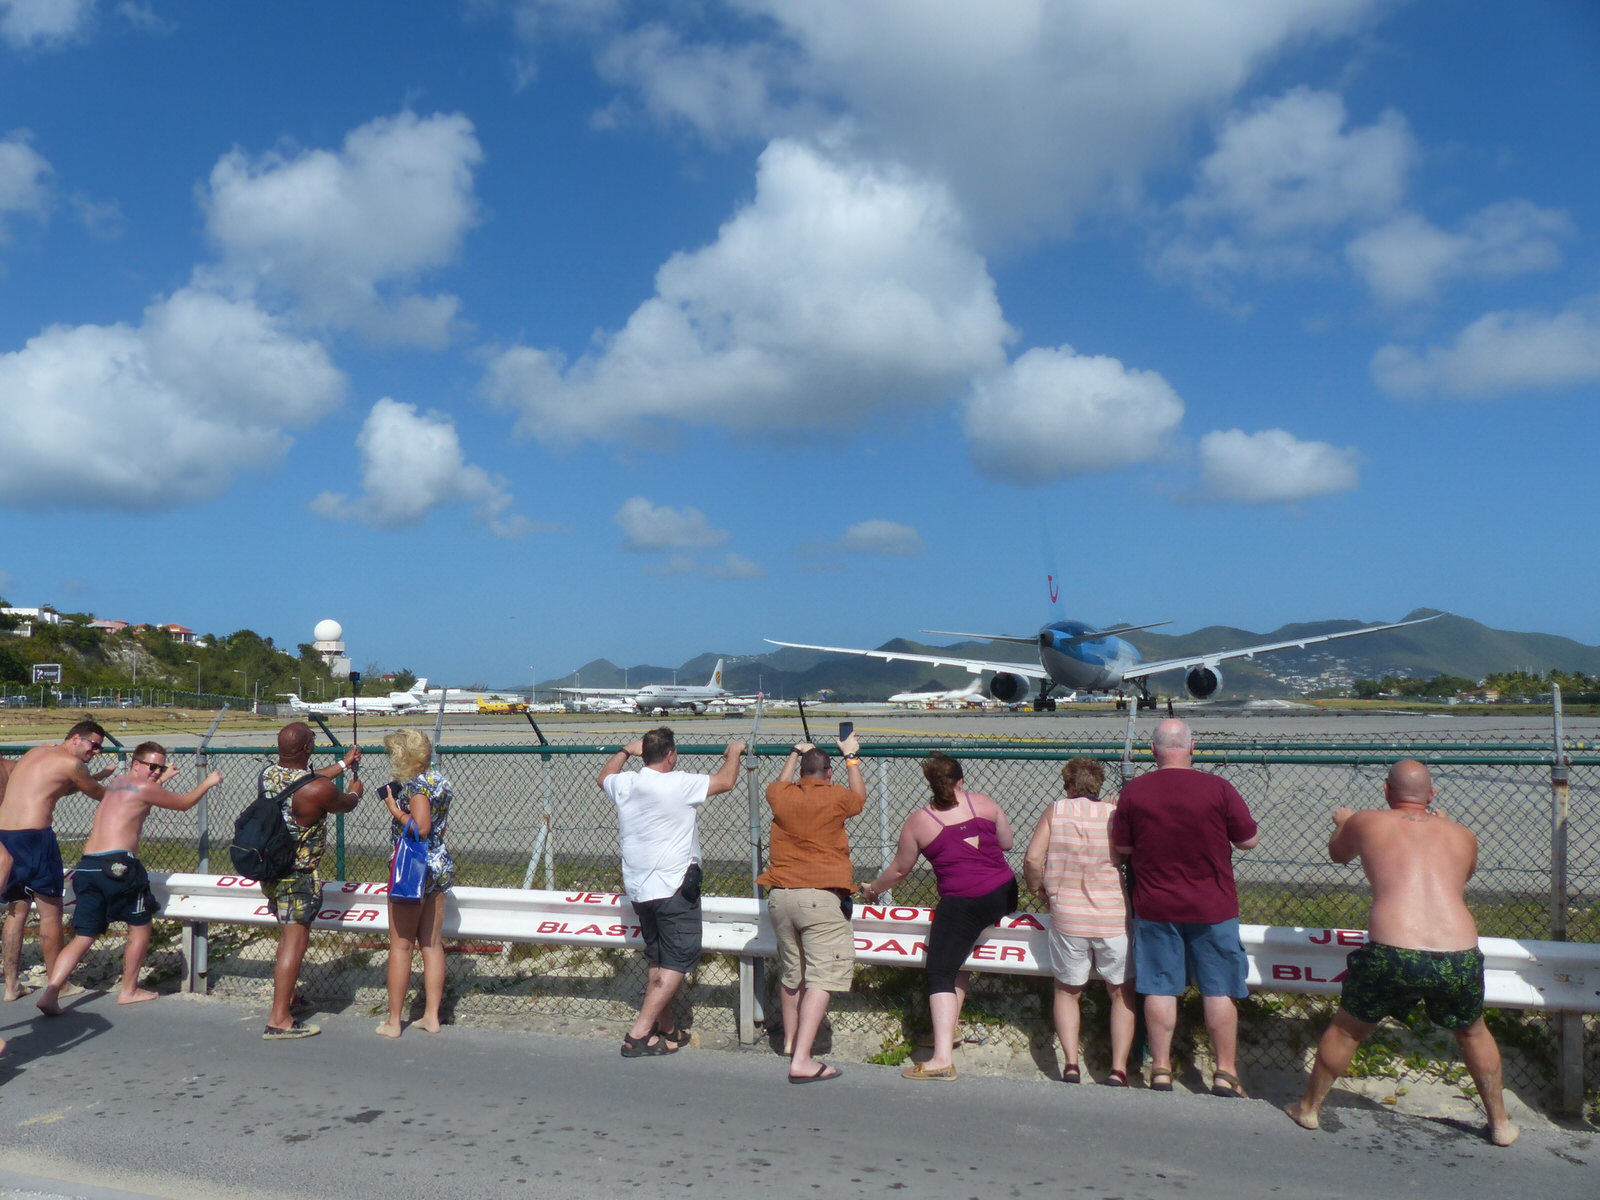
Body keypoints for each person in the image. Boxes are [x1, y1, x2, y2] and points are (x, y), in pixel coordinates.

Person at [1285, 760, 1519, 1146]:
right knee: (1473, 1031)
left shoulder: (1366, 820)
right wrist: (1444, 825)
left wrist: (1343, 822)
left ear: (1386, 790)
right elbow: (1461, 876)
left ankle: (1309, 1109)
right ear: (1432, 794)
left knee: (1347, 1029)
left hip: (1393, 950)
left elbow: (1338, 854)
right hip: (1456, 952)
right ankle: (1500, 1123)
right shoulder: (1463, 834)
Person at [1111, 719, 1259, 1097]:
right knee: (1219, 989)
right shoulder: (1219, 788)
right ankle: (1225, 1071)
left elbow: (1123, 848)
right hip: (1213, 906)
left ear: (1152, 750)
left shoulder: (1134, 791)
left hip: (1156, 904)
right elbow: (1248, 841)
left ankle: (1160, 1068)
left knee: (1160, 987)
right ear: (1193, 747)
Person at [859, 752, 1017, 1082]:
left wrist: (873, 889)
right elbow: (1007, 842)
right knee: (956, 956)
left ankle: (942, 1059)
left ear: (931, 783)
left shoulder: (920, 821)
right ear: (961, 781)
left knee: (939, 972)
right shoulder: (984, 803)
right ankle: (949, 1027)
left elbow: (900, 870)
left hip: (965, 900)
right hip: (1003, 891)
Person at [35, 743, 222, 1014]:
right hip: (118, 865)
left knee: (85, 935)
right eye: (152, 766)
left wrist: (161, 779)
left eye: (160, 767)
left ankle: (51, 992)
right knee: (140, 926)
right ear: (136, 764)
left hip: (88, 866)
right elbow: (183, 804)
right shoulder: (145, 787)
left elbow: (139, 798)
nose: (156, 771)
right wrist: (208, 782)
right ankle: (129, 990)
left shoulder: (118, 783)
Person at [599, 728, 744, 1057]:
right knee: (677, 960)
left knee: (659, 959)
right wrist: (734, 751)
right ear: (670, 755)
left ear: (644, 753)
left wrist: (625, 750)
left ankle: (666, 1029)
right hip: (674, 887)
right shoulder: (678, 783)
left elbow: (604, 777)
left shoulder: (627, 784)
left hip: (639, 888)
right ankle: (639, 1033)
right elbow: (726, 781)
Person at [757, 733, 866, 1083]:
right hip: (820, 896)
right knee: (823, 976)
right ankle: (803, 1060)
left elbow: (779, 783)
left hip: (781, 895)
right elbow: (860, 798)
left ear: (802, 771)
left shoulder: (781, 794)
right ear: (828, 773)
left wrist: (794, 753)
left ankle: (791, 1042)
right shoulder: (836, 796)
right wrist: (851, 757)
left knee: (793, 974)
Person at [1022, 756, 1136, 1086]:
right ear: (1098, 785)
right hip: (1111, 915)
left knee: (1067, 990)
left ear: (1069, 785)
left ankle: (1071, 1064)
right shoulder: (1113, 813)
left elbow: (1033, 859)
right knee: (1121, 992)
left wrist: (1038, 888)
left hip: (1068, 914)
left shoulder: (1056, 810)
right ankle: (1118, 1068)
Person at [258, 721, 362, 1040]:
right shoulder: (318, 790)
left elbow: (307, 781)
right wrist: (355, 789)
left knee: (286, 938)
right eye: (313, 740)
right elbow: (344, 803)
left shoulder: (269, 775)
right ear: (307, 748)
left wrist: (343, 764)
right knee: (295, 942)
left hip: (271, 869)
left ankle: (288, 998)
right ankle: (279, 1019)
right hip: (297, 875)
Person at [0, 720, 114, 1002]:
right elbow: (101, 795)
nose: (96, 752)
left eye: (100, 748)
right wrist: (138, 788)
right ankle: (57, 983)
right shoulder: (73, 764)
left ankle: (12, 985)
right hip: (36, 838)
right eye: (94, 745)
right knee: (50, 912)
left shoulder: (36, 753)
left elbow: (58, 788)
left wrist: (96, 775)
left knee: (16, 910)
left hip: (7, 836)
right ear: (75, 738)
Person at [375, 728, 455, 1039]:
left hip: (412, 866)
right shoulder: (439, 780)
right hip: (437, 863)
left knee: (401, 944)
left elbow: (421, 828)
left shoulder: (417, 786)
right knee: (432, 944)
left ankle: (394, 1020)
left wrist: (395, 810)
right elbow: (437, 827)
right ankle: (431, 1016)